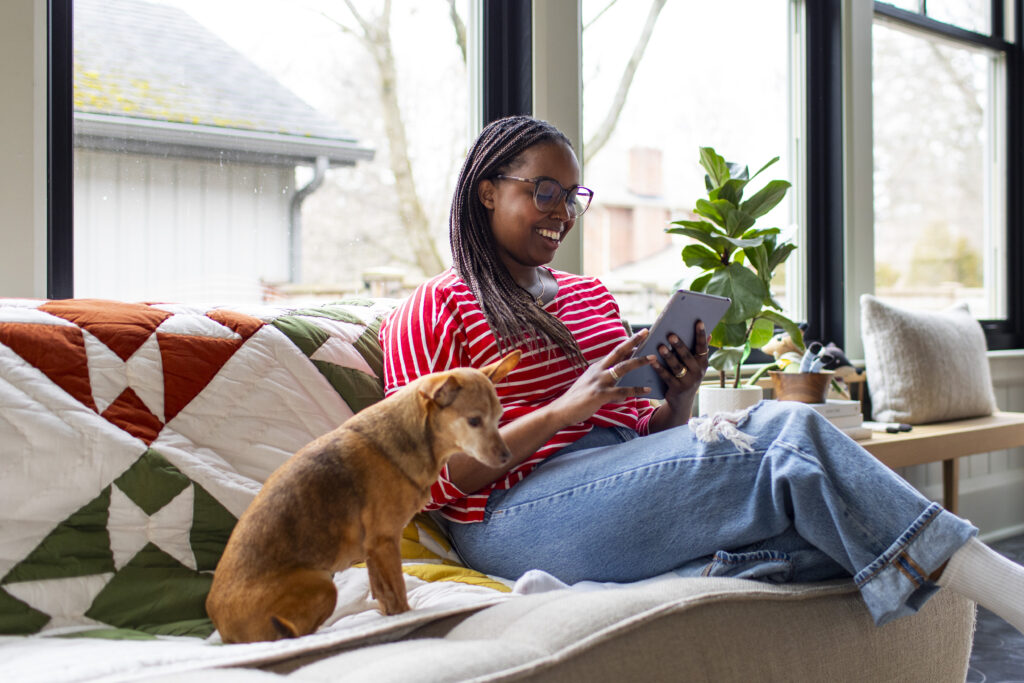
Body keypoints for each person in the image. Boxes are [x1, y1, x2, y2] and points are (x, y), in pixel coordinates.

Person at [379, 114, 1024, 632]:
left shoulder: (592, 296)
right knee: (788, 432)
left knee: (832, 533)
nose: (561, 212)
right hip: (509, 514)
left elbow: (648, 434)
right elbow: (428, 479)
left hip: (617, 480)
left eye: (572, 195)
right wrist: (560, 413)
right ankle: (1010, 590)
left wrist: (680, 391)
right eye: (542, 190)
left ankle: (662, 579)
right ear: (487, 190)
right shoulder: (433, 307)